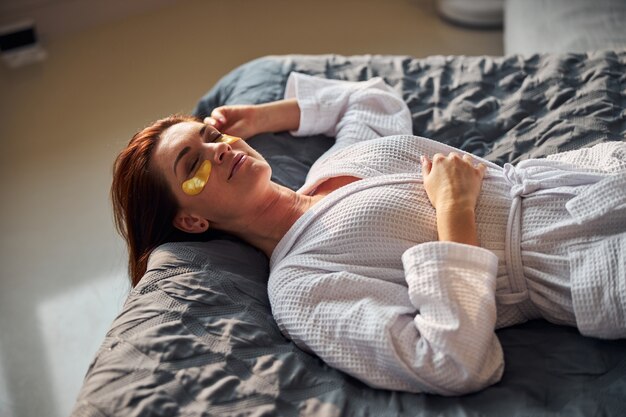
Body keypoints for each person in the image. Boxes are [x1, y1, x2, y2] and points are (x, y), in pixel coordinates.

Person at [111, 72, 626, 396]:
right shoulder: (299, 286)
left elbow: (370, 100)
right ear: (192, 222)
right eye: (193, 166)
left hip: (592, 173)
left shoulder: (335, 162)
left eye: (213, 134)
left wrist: (267, 114)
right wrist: (454, 210)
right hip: (579, 260)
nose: (219, 148)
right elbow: (452, 360)